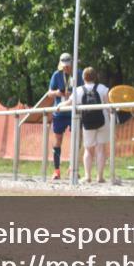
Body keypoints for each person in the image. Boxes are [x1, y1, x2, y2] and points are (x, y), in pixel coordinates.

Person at [59, 67, 110, 184]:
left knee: (88, 149)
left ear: (83, 78)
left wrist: (58, 106)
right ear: (95, 77)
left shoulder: (78, 90)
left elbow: (68, 103)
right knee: (101, 149)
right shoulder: (102, 88)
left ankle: (88, 176)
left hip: (88, 122)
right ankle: (100, 177)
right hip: (103, 121)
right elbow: (109, 104)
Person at [49, 53, 83, 181]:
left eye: (68, 66)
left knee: (77, 140)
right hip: (60, 112)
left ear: (72, 64)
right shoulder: (56, 75)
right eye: (64, 66)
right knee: (57, 141)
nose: (66, 68)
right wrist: (57, 92)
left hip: (74, 111)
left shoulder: (79, 73)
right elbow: (49, 93)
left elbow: (84, 90)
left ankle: (72, 168)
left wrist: (74, 94)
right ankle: (56, 170)